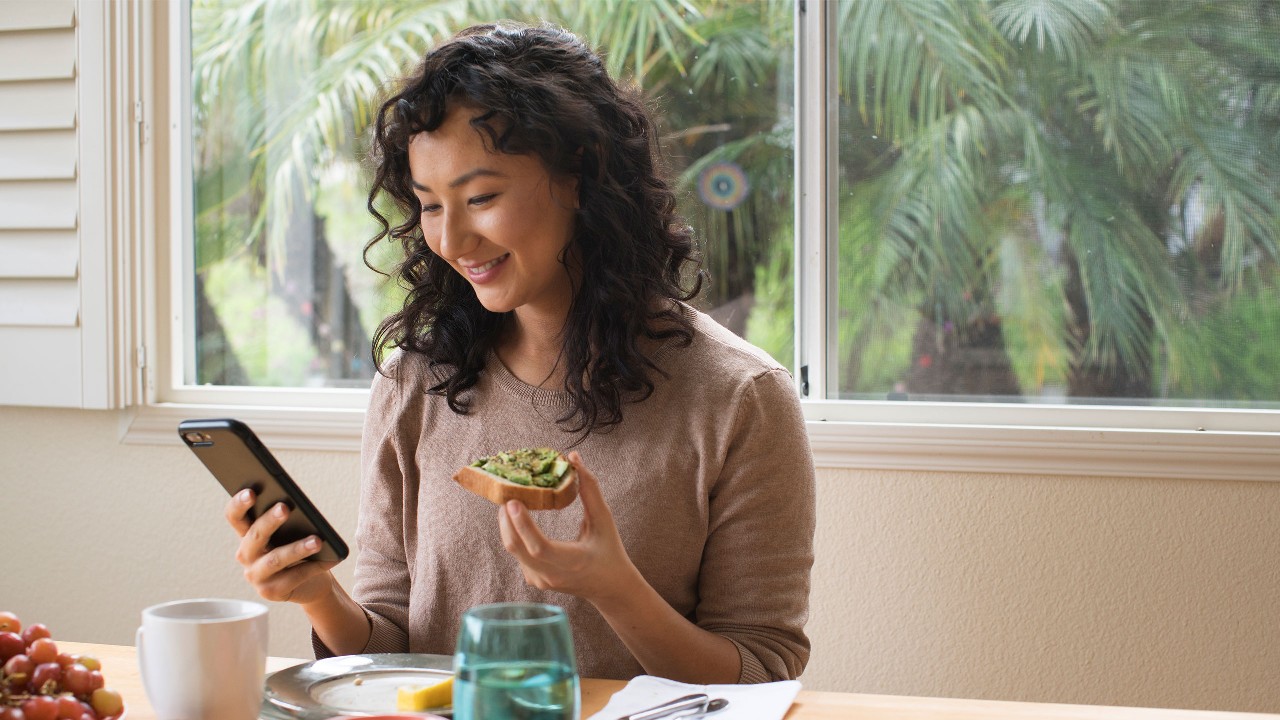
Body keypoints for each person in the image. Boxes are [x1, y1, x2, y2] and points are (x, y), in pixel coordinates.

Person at [224, 21, 816, 684]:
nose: (452, 238)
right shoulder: (416, 383)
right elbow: (392, 644)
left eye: (481, 198)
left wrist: (616, 589)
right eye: (428, 205)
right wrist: (317, 594)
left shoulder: (739, 398)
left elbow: (765, 669)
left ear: (580, 178)